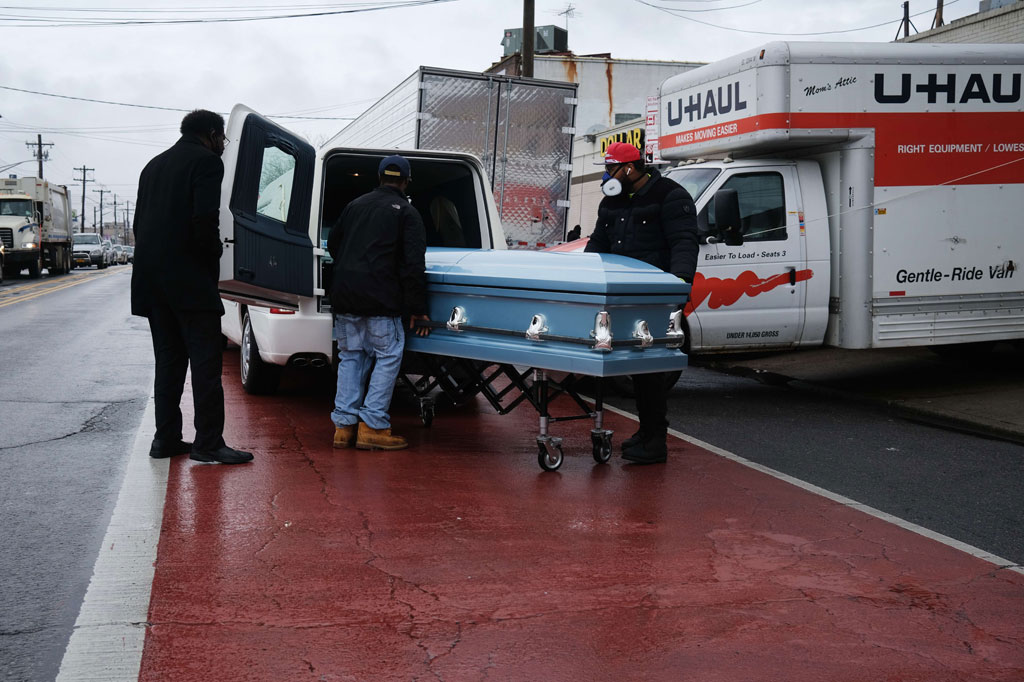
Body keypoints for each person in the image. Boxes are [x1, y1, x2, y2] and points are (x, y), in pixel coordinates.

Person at [131, 109, 253, 465]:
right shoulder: (207, 163)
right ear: (212, 134)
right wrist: (216, 254)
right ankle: (208, 443)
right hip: (190, 282)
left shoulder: (152, 166)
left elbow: (139, 224)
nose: (223, 145)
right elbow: (205, 219)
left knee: (168, 362)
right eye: (222, 138)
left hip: (152, 282)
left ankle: (165, 438)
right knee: (205, 364)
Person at [585, 142, 698, 465]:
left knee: (650, 369)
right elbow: (598, 243)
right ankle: (646, 431)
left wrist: (678, 288)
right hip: (622, 295)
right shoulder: (612, 201)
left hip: (655, 296)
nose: (607, 175)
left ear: (630, 168)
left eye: (611, 169)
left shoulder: (670, 196)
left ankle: (655, 440)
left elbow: (684, 243)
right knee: (633, 367)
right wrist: (586, 276)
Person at [328, 155, 430, 451]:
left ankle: (344, 427)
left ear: (379, 177)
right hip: (382, 300)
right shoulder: (407, 213)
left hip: (345, 297)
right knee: (387, 356)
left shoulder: (354, 206)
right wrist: (418, 308)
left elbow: (334, 244)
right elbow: (413, 264)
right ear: (406, 181)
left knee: (351, 357)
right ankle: (373, 426)